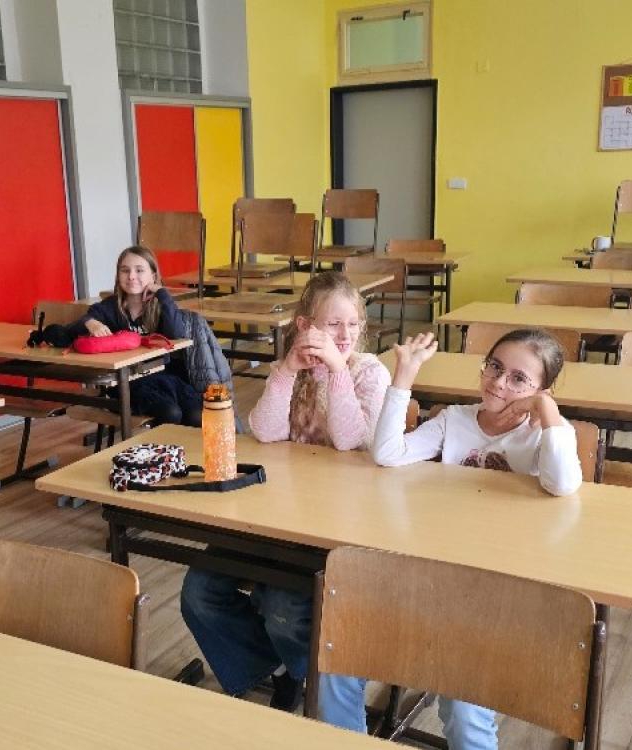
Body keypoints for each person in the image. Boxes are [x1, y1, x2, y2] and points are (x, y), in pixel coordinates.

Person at [319, 328, 582, 749]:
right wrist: (404, 375)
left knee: (463, 708)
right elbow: (387, 454)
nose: (499, 382)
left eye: (519, 379)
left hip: (492, 595)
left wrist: (547, 411)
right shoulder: (454, 420)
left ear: (542, 390)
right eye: (495, 367)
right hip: (426, 577)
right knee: (336, 667)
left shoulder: (543, 435)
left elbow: (563, 484)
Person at [180, 271, 391, 711]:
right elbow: (265, 431)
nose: (345, 334)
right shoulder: (292, 370)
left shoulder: (369, 372)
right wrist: (287, 371)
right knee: (199, 592)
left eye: (353, 324)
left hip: (338, 525)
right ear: (304, 326)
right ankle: (277, 669)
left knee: (283, 608)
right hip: (278, 514)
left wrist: (337, 371)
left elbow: (351, 440)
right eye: (333, 324)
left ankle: (304, 675)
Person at [68, 245, 202, 427]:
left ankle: (179, 447)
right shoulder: (110, 307)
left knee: (196, 415)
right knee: (170, 412)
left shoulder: (160, 305)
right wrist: (90, 322)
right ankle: (157, 446)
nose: (131, 276)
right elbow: (76, 325)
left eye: (139, 270)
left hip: (166, 376)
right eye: (125, 270)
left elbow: (176, 334)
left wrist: (162, 293)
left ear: (153, 276)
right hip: (128, 382)